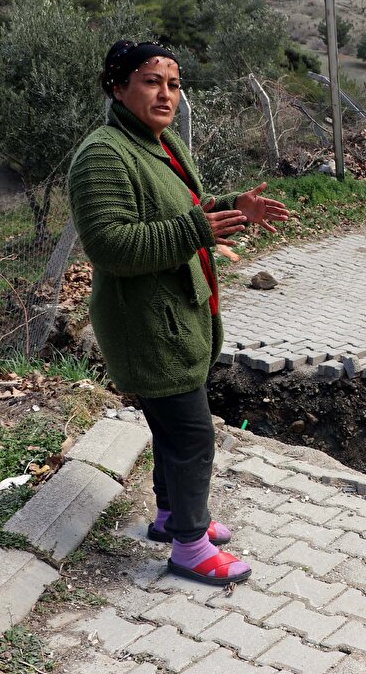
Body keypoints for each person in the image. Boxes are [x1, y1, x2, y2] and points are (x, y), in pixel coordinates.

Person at [67, 40, 288, 585]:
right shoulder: (104, 155)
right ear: (118, 87)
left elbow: (186, 210)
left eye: (173, 84)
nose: (165, 94)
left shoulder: (159, 143)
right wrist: (196, 228)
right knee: (192, 437)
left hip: (175, 316)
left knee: (171, 431)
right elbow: (110, 245)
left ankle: (170, 516)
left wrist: (232, 207)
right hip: (146, 326)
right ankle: (189, 546)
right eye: (151, 82)